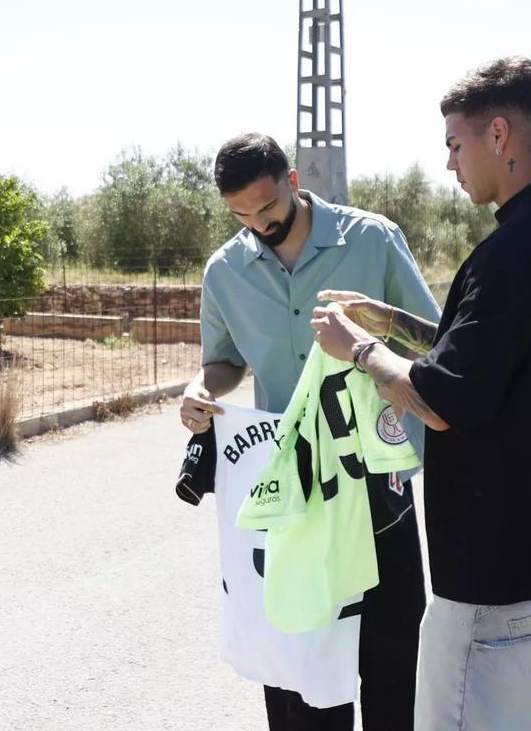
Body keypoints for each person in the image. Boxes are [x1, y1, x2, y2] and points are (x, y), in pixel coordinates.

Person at [311, 56, 531, 731]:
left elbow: (443, 401)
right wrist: (389, 321)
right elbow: (486, 358)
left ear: (498, 135)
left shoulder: (515, 251)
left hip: (504, 589)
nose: (450, 164)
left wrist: (360, 349)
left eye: (455, 145)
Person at [179, 132, 441, 730]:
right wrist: (201, 388)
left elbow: (433, 338)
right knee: (299, 672)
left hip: (377, 483)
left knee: (392, 661)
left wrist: (375, 339)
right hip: (292, 493)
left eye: (268, 207)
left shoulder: (373, 239)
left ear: (293, 182)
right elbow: (223, 362)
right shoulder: (224, 272)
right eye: (242, 215)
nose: (259, 224)